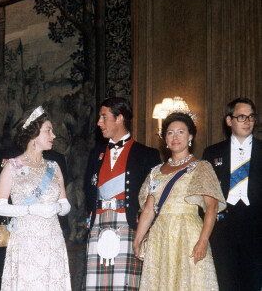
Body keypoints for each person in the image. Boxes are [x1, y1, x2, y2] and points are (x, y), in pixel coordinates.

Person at [133, 111, 226, 291]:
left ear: (190, 136)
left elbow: (212, 207)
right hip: (160, 235)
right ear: (165, 139)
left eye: (181, 132)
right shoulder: (156, 171)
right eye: (170, 132)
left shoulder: (201, 167)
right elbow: (149, 209)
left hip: (189, 234)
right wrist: (137, 240)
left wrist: (203, 240)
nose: (175, 137)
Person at [0, 106, 72, 291]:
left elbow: (65, 204)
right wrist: (31, 209)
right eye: (48, 130)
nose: (54, 135)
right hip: (25, 240)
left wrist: (58, 208)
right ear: (34, 134)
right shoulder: (12, 166)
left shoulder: (54, 166)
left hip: (53, 240)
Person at [83, 97, 161, 290]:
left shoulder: (146, 154)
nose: (99, 122)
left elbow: (154, 197)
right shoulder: (96, 154)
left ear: (119, 118)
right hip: (99, 224)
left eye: (104, 117)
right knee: (96, 285)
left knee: (125, 285)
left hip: (128, 224)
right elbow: (88, 190)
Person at [202, 97, 262, 291]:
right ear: (229, 121)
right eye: (241, 117)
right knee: (225, 282)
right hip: (223, 228)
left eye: (251, 117)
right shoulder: (212, 152)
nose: (247, 122)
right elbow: (205, 195)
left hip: (256, 227)